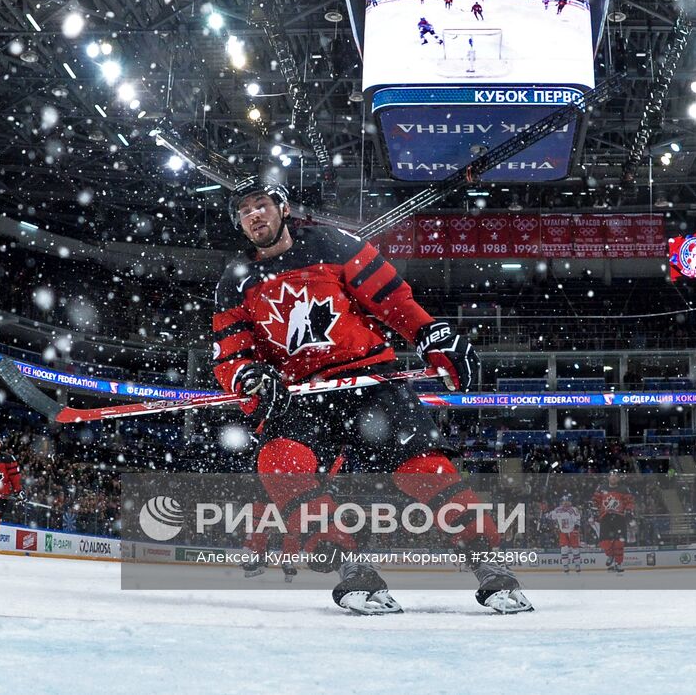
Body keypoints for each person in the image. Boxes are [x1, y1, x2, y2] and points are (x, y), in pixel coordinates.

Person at [212, 179, 531, 614]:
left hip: (370, 381)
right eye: (245, 211)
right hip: (300, 394)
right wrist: (247, 378)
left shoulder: (333, 243)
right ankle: (351, 569)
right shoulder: (235, 279)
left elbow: (392, 300)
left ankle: (490, 565)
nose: (254, 215)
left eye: (261, 204)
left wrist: (429, 333)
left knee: (425, 468)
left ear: (282, 209)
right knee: (281, 463)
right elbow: (231, 353)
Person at [593, 471, 635, 573]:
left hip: (619, 517)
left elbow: (629, 502)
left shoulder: (624, 489)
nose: (614, 478)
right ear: (608, 477)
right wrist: (594, 510)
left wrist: (629, 510)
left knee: (619, 543)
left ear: (619, 479)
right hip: (605, 517)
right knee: (604, 541)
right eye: (612, 476)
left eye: (616, 476)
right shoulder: (601, 488)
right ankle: (610, 555)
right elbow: (595, 501)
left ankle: (618, 564)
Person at [545, 494, 583, 573]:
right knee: (564, 549)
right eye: (564, 501)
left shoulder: (573, 509)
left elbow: (578, 519)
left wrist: (576, 528)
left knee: (575, 549)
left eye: (567, 501)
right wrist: (545, 511)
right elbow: (550, 516)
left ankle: (577, 565)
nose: (565, 503)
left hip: (572, 531)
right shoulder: (557, 510)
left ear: (570, 502)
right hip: (563, 532)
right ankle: (565, 566)